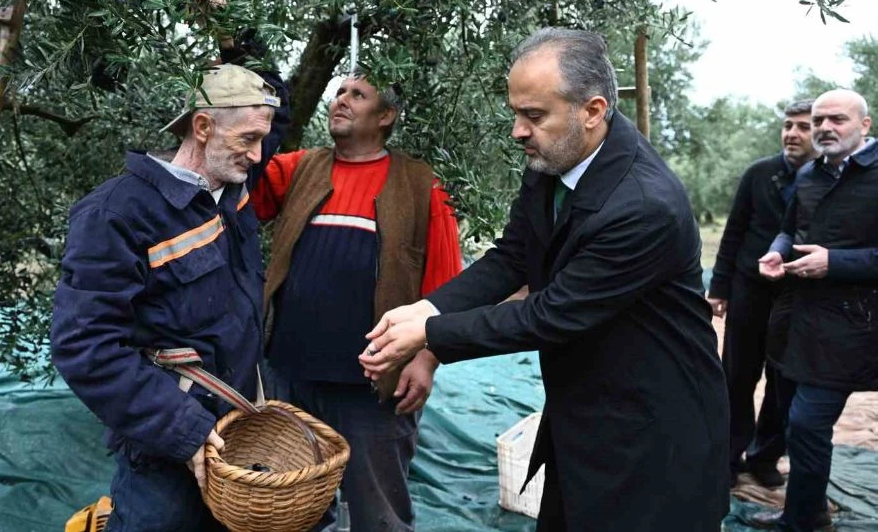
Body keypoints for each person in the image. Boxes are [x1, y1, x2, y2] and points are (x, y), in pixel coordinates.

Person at [359, 27, 730, 532]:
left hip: (652, 438)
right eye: (516, 112)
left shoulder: (643, 206)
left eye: (533, 116)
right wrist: (429, 310)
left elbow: (554, 313)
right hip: (585, 419)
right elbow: (513, 257)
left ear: (593, 111)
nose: (517, 130)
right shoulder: (555, 161)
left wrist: (431, 337)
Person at [50, 50, 290, 531]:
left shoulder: (230, 184)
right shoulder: (117, 215)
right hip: (167, 453)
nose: (260, 155)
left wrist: (232, 30)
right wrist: (183, 432)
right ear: (202, 128)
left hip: (239, 437)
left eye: (262, 139)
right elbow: (84, 346)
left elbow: (270, 104)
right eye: (249, 139)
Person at [251, 74, 463, 531]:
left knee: (379, 514)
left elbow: (447, 288)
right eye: (340, 92)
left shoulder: (422, 185)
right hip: (290, 376)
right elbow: (246, 177)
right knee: (296, 511)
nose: (340, 101)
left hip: (373, 388)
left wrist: (426, 360)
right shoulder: (299, 168)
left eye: (357, 95)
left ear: (385, 116)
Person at [750, 89, 878, 532]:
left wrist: (835, 262)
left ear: (864, 125)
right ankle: (806, 512)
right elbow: (789, 231)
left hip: (854, 324)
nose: (825, 128)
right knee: (794, 419)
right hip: (796, 319)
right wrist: (775, 252)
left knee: (806, 421)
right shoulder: (807, 175)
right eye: (819, 120)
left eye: (837, 120)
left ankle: (805, 519)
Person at [707, 100, 818, 488]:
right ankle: (728, 454)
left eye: (802, 126)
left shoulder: (829, 181)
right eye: (788, 125)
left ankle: (765, 456)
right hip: (748, 290)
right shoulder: (758, 173)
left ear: (819, 132)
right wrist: (719, 288)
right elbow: (733, 231)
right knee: (736, 374)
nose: (792, 133)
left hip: (800, 296)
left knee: (784, 379)